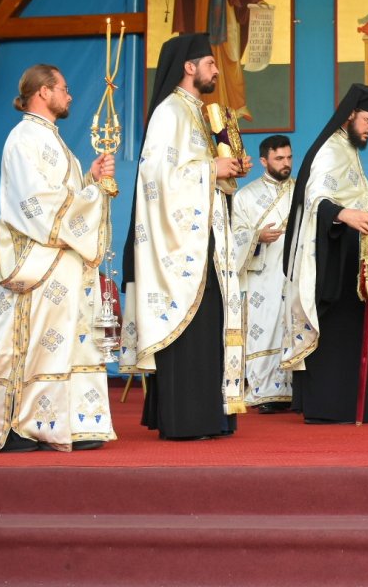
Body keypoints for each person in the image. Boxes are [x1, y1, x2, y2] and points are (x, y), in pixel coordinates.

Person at [0, 65, 116, 454]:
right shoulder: (23, 139)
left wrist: (89, 181)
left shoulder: (53, 142)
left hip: (59, 263)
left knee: (59, 343)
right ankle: (14, 428)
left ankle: (67, 423)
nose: (70, 96)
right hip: (36, 264)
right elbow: (35, 205)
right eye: (65, 88)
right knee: (30, 343)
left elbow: (63, 195)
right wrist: (91, 198)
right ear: (42, 92)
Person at [123, 33, 250, 441]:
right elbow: (156, 177)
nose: (216, 70)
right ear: (189, 67)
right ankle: (187, 419)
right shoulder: (169, 113)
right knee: (190, 329)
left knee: (209, 326)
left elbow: (203, 176)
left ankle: (210, 415)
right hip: (181, 248)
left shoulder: (198, 113)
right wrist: (213, 169)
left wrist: (227, 170)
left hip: (206, 242)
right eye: (210, 63)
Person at [282, 84, 368, 424]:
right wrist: (347, 215)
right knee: (336, 330)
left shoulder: (348, 148)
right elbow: (316, 199)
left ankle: (353, 404)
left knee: (350, 330)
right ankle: (332, 408)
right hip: (331, 255)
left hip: (349, 251)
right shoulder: (330, 149)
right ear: (350, 115)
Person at [231, 134, 295, 413]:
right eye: (279, 158)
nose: (286, 164)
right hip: (261, 276)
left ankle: (296, 391)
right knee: (265, 329)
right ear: (263, 161)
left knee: (293, 329)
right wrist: (256, 237)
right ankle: (265, 391)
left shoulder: (302, 191)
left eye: (289, 157)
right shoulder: (245, 196)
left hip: (294, 272)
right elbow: (235, 237)